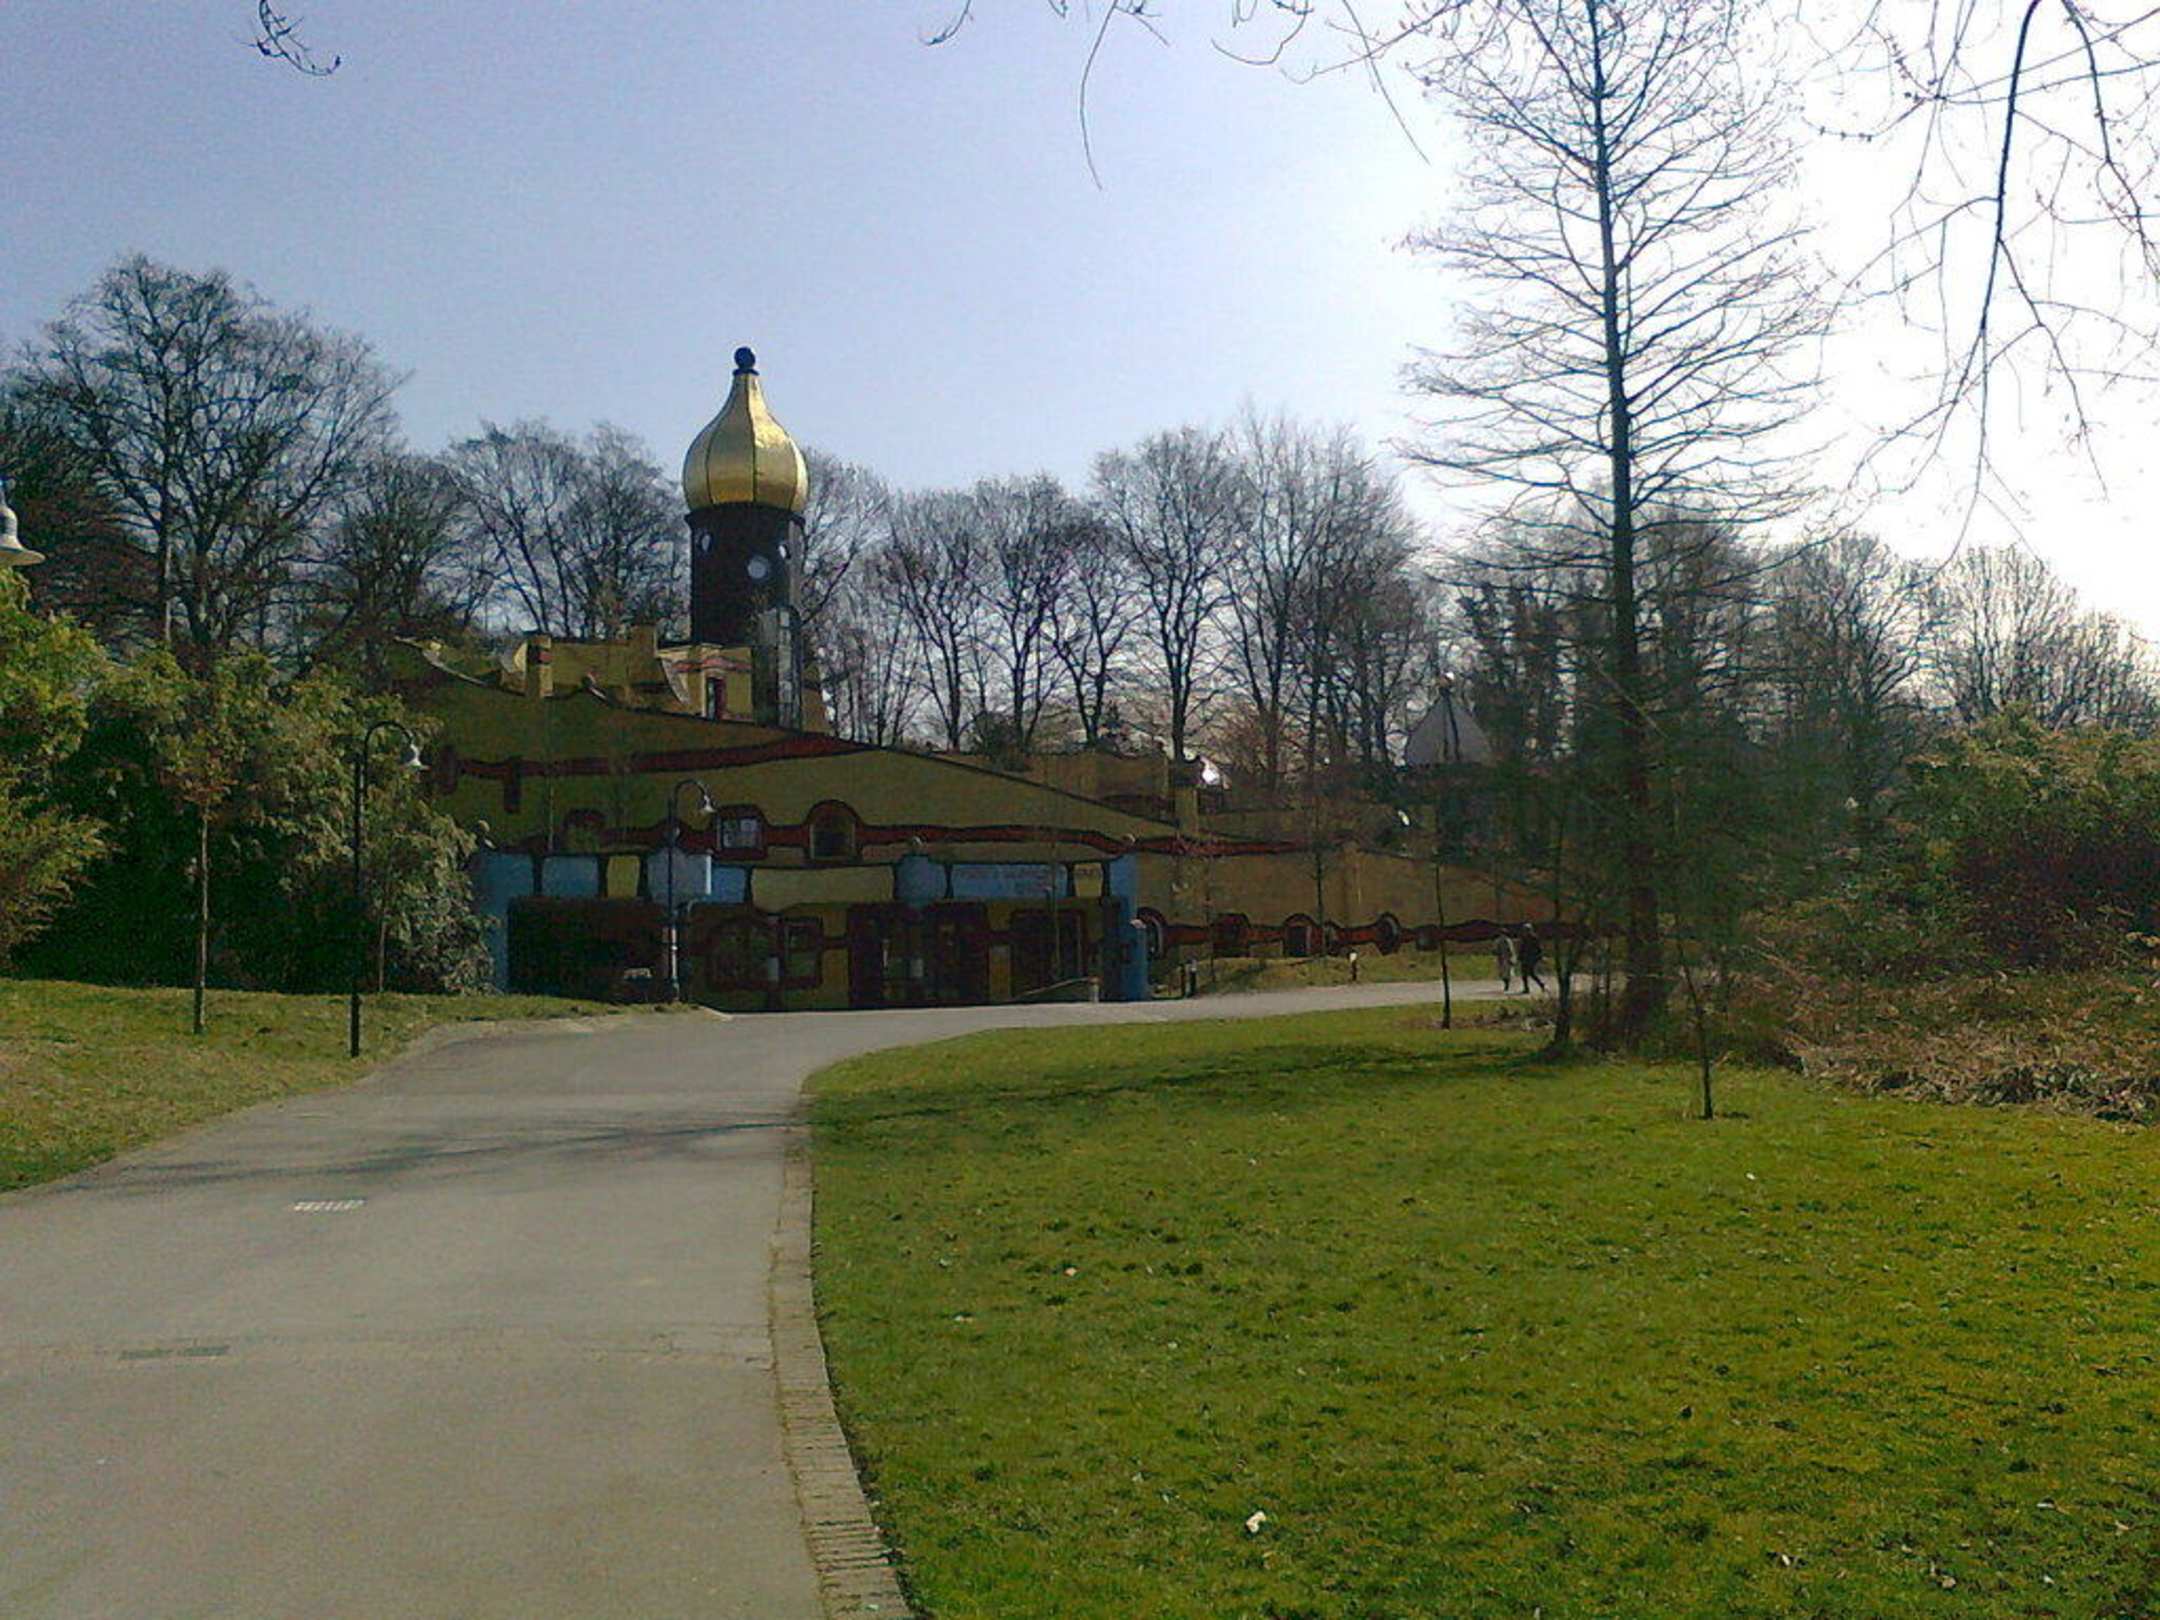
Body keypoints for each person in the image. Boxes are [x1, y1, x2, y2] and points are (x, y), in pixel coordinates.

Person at [1518, 922, 1546, 994]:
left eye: (1526, 930)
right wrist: (1520, 957)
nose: (1525, 931)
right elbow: (1522, 948)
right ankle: (1526, 988)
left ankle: (1541, 984)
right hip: (1525, 958)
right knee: (1524, 974)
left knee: (1531, 973)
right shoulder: (1524, 938)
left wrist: (1539, 956)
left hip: (1532, 958)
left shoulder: (1534, 938)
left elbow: (1539, 948)